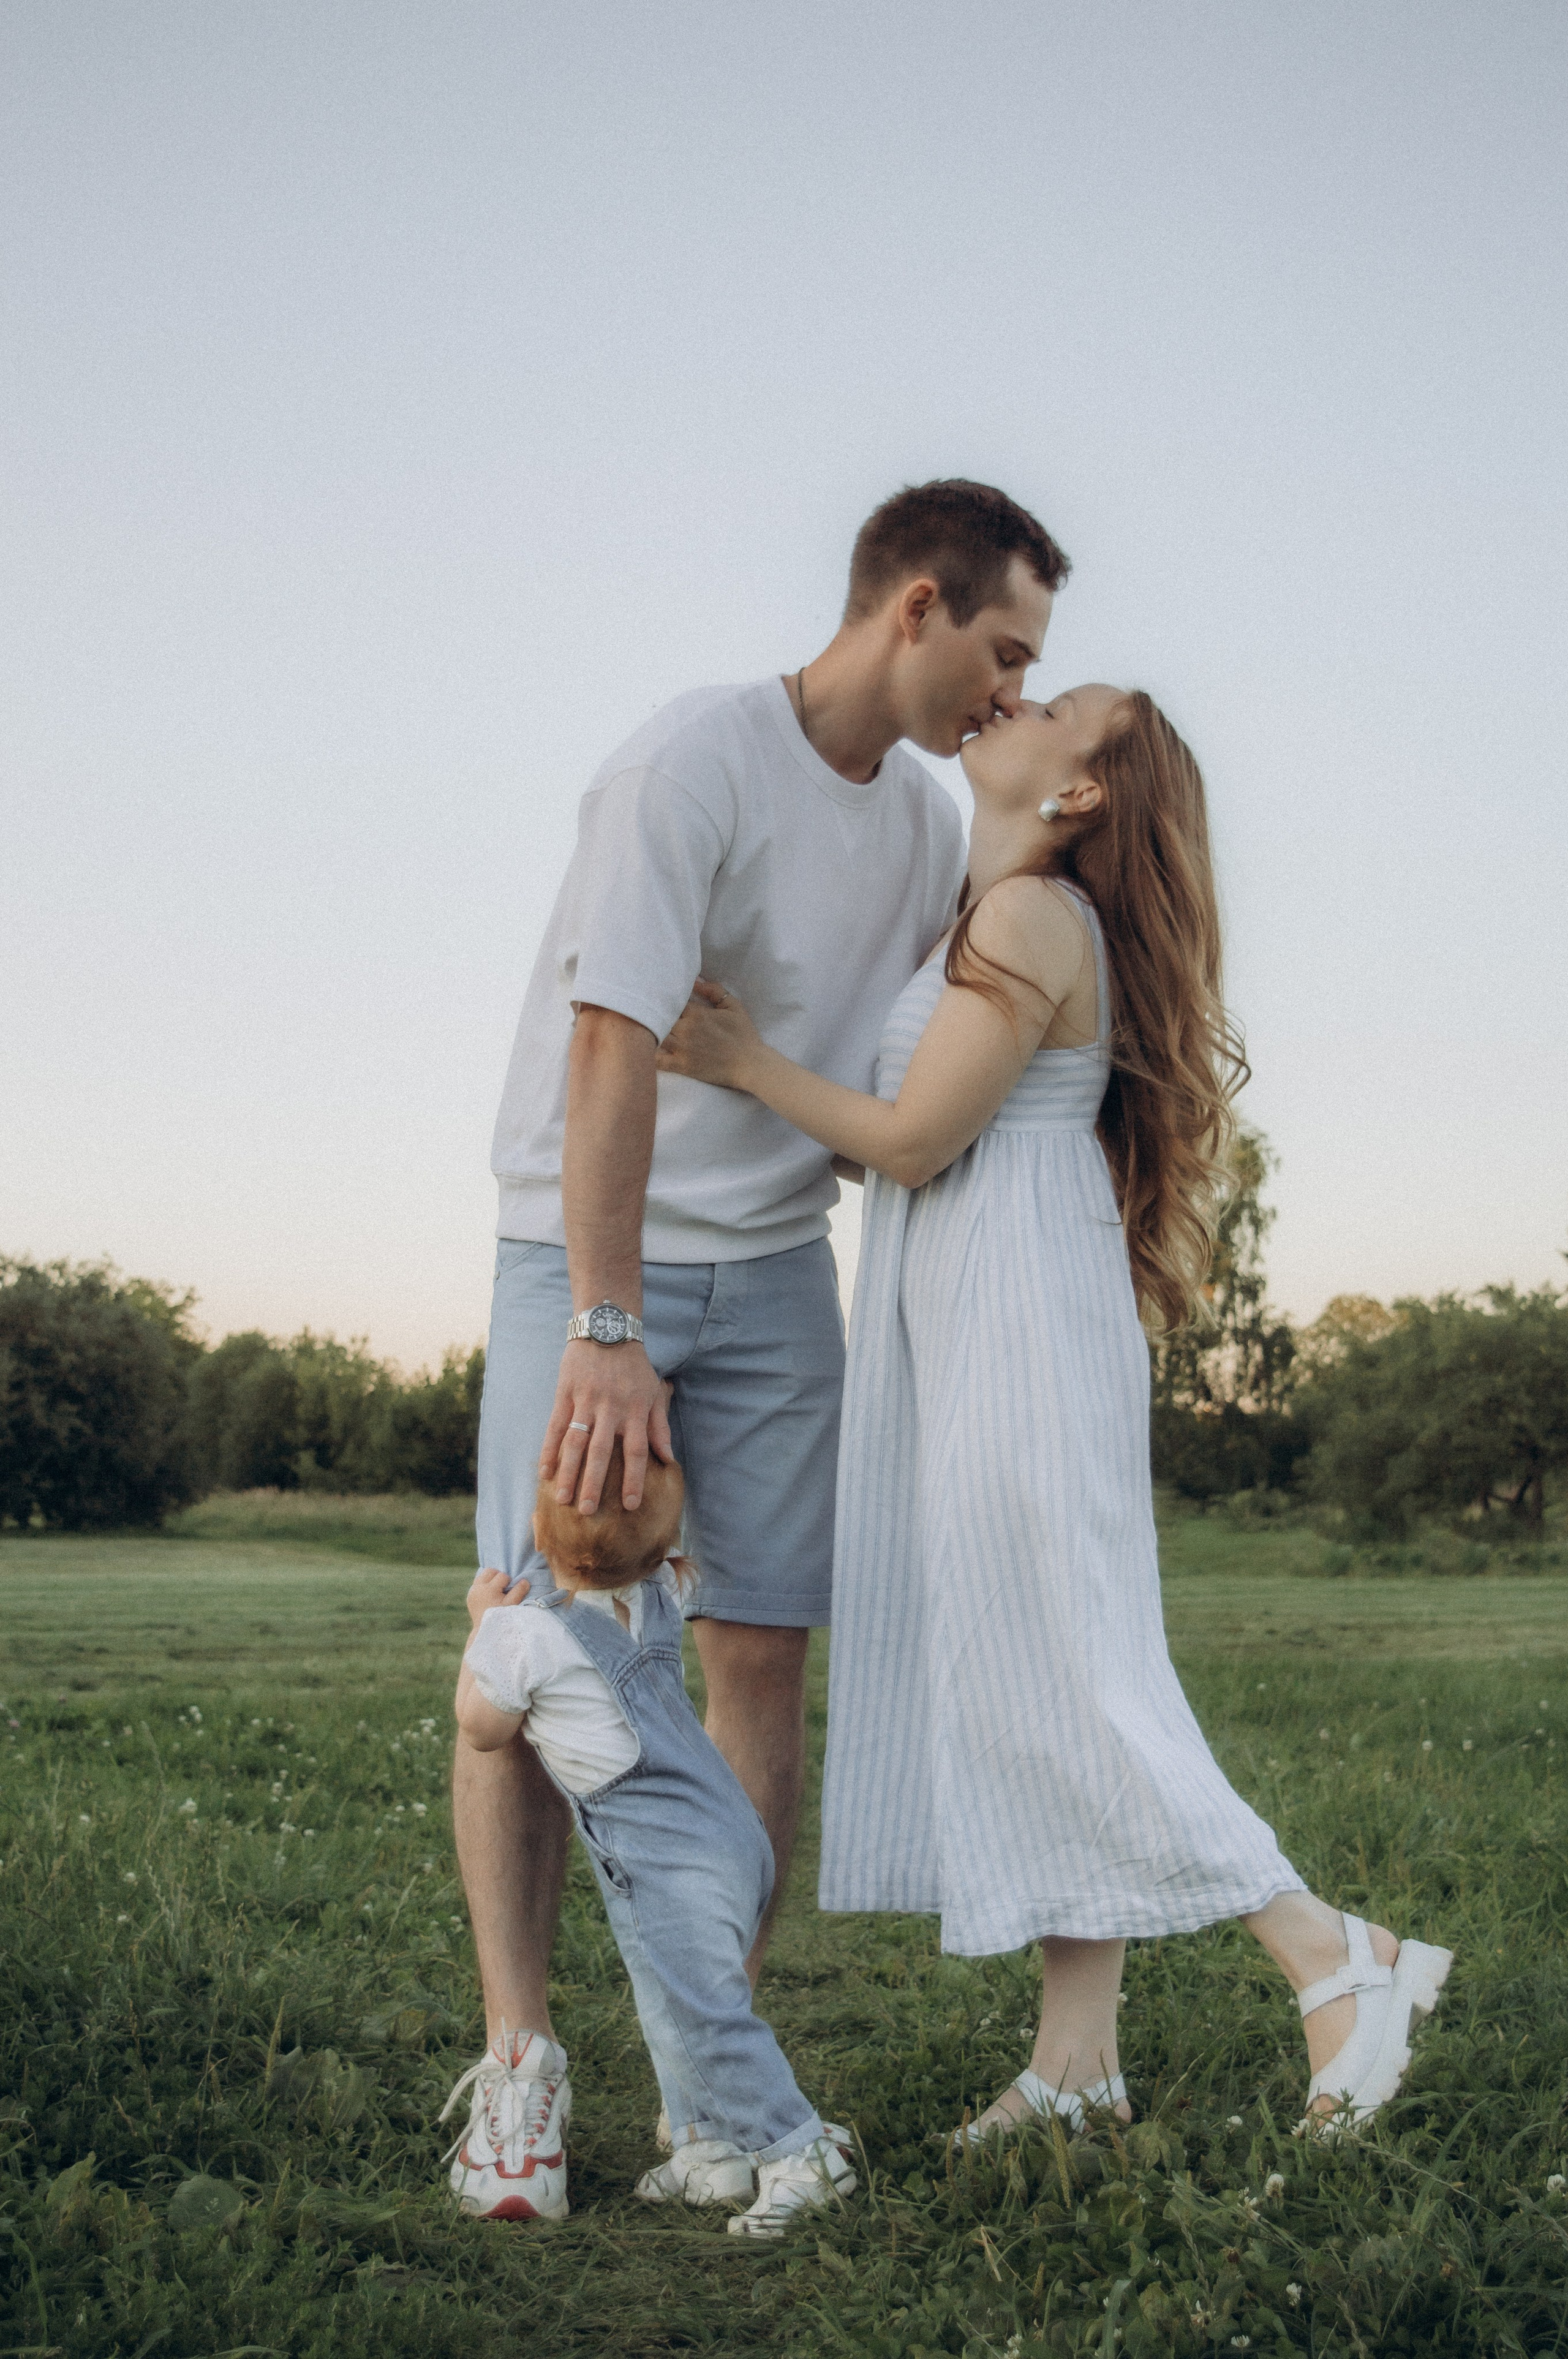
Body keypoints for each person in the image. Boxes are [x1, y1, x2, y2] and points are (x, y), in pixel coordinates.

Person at [657, 685, 1453, 2142]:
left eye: (1054, 704)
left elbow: (912, 1143)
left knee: (1068, 1677)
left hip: (1015, 1329)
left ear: (1079, 791)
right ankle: (1076, 2064)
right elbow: (919, 1137)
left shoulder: (1028, 919)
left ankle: (1334, 1955)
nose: (1013, 699)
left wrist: (743, 1064)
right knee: (1040, 1662)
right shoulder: (995, 918)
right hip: (990, 1313)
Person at [443, 480, 1072, 2219]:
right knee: (535, 1639)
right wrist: (607, 1325)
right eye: (1004, 652)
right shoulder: (691, 762)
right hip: (592, 1258)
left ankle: (709, 2080)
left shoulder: (928, 827)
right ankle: (518, 2062)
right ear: (916, 604)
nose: (1010, 693)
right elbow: (609, 1045)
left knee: (761, 1659)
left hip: (784, 1268)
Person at [444, 1438, 855, 2235]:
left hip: (662, 1861)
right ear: (668, 1551)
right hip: (730, 1835)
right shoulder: (661, 1596)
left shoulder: (525, 1635)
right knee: (670, 2005)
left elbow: (484, 1728)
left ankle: (801, 2151)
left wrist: (482, 1630)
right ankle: (708, 2149)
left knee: (707, 2015)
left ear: (538, 1532)